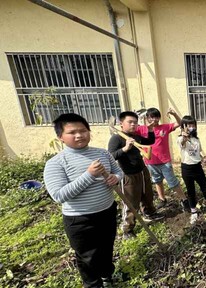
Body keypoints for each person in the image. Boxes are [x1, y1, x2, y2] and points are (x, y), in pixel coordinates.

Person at [44, 113, 123, 287]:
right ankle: (93, 284)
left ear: (89, 131)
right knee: (87, 256)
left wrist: (115, 178)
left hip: (107, 211)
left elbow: (118, 171)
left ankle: (107, 275)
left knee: (106, 247)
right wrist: (89, 175)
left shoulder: (103, 154)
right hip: (79, 219)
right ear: (61, 137)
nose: (79, 135)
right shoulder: (56, 163)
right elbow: (59, 195)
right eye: (72, 132)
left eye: (83, 130)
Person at [108, 111, 163, 239]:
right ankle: (127, 229)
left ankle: (149, 214)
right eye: (130, 122)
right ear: (122, 124)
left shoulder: (135, 136)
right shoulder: (117, 138)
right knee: (131, 202)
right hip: (127, 175)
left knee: (147, 194)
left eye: (135, 122)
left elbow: (150, 141)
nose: (133, 124)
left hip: (142, 170)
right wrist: (124, 149)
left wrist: (149, 130)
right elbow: (110, 156)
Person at [136, 107, 186, 210]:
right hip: (150, 162)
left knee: (172, 182)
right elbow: (129, 131)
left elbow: (180, 123)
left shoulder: (165, 127)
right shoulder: (141, 129)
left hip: (164, 161)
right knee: (157, 181)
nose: (154, 119)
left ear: (159, 118)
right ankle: (162, 199)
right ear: (148, 118)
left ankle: (184, 199)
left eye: (157, 117)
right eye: (152, 117)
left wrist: (174, 114)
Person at [177, 115, 206, 225]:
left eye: (193, 124)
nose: (191, 127)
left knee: (205, 187)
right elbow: (182, 143)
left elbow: (199, 151)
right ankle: (193, 211)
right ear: (183, 126)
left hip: (197, 167)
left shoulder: (196, 139)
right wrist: (185, 137)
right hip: (187, 168)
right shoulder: (180, 138)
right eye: (188, 125)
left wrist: (205, 157)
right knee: (191, 191)